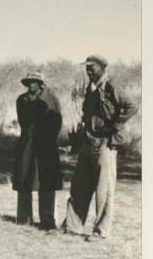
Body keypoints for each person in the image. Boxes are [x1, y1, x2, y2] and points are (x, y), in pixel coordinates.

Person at [63, 55, 138, 241]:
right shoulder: (91, 87)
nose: (89, 71)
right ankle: (72, 226)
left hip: (105, 143)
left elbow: (131, 107)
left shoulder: (112, 85)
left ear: (103, 68)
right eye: (87, 68)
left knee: (104, 189)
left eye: (92, 67)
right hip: (88, 142)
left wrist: (114, 125)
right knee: (79, 185)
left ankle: (100, 231)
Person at [13, 71, 63, 230]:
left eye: (34, 82)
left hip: (46, 145)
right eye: (28, 82)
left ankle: (47, 219)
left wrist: (46, 138)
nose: (31, 85)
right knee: (24, 178)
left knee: (46, 181)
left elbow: (57, 122)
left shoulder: (51, 99)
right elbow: (23, 122)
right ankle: (23, 217)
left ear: (41, 83)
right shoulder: (22, 100)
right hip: (27, 144)